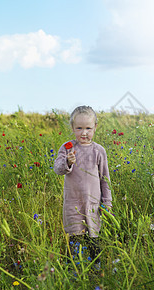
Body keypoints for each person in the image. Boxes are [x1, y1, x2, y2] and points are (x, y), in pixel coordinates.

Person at [54, 105, 112, 269]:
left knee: (93, 238)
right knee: (74, 239)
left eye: (88, 128)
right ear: (72, 128)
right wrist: (68, 162)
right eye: (79, 128)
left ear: (95, 127)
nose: (84, 133)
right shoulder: (68, 148)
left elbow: (105, 179)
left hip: (93, 205)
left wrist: (107, 203)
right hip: (73, 204)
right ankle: (72, 270)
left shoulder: (99, 151)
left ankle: (96, 270)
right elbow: (58, 169)